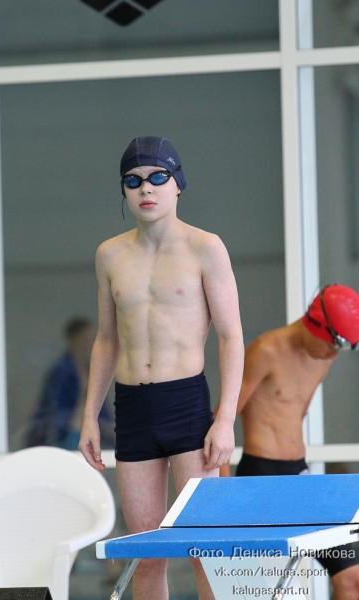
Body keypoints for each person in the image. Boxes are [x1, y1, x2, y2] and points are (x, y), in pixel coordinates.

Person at [78, 136, 244, 600]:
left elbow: (231, 337)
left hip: (186, 404)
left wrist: (225, 420)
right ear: (123, 190)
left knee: (203, 549)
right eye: (133, 181)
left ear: (177, 184)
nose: (145, 188)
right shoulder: (110, 254)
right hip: (132, 408)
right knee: (146, 555)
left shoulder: (205, 247)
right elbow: (106, 340)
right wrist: (90, 416)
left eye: (157, 177)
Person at [218, 284, 359, 600]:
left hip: (299, 478)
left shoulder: (322, 356)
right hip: (261, 479)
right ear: (316, 325)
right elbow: (220, 425)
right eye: (332, 345)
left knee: (352, 579)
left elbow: (298, 414)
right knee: (270, 589)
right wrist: (226, 497)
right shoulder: (265, 351)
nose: (333, 354)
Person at [25, 317, 115, 450]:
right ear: (73, 339)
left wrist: (109, 427)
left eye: (90, 339)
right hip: (66, 432)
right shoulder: (61, 371)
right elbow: (53, 407)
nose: (88, 343)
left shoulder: (90, 369)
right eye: (84, 338)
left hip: (89, 428)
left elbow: (101, 405)